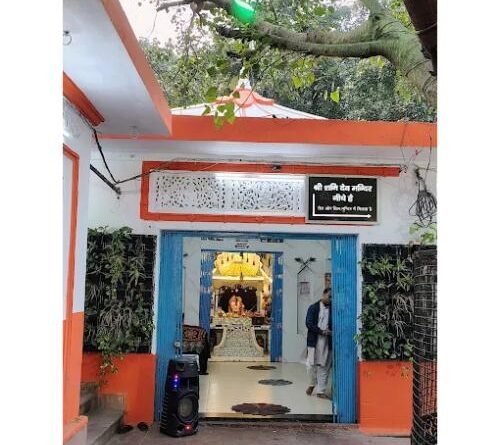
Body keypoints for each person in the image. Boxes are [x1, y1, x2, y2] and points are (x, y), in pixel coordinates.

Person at [305, 287, 332, 399]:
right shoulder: (313, 308)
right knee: (310, 365)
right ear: (324, 294)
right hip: (314, 341)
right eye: (329, 296)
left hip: (327, 342)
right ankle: (312, 384)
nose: (330, 299)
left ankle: (321, 391)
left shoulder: (333, 310)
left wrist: (330, 332)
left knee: (324, 366)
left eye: (332, 297)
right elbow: (308, 323)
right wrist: (321, 331)